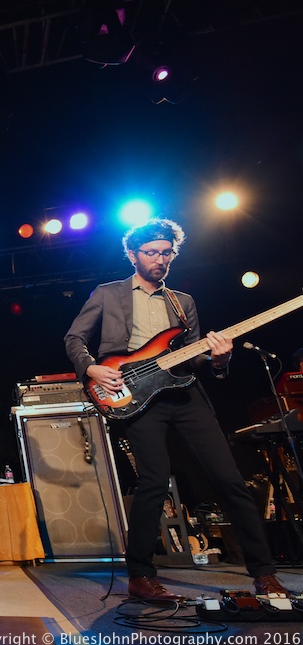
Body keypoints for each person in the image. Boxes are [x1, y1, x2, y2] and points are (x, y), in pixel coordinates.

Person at [64, 218, 294, 602]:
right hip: (133, 393)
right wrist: (91, 368)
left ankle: (265, 574)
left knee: (230, 480)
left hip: (184, 392)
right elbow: (74, 338)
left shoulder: (182, 301)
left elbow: (196, 359)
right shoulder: (108, 293)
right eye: (151, 252)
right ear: (133, 255)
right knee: (153, 481)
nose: (160, 259)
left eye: (166, 252)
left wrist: (219, 359)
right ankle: (140, 575)